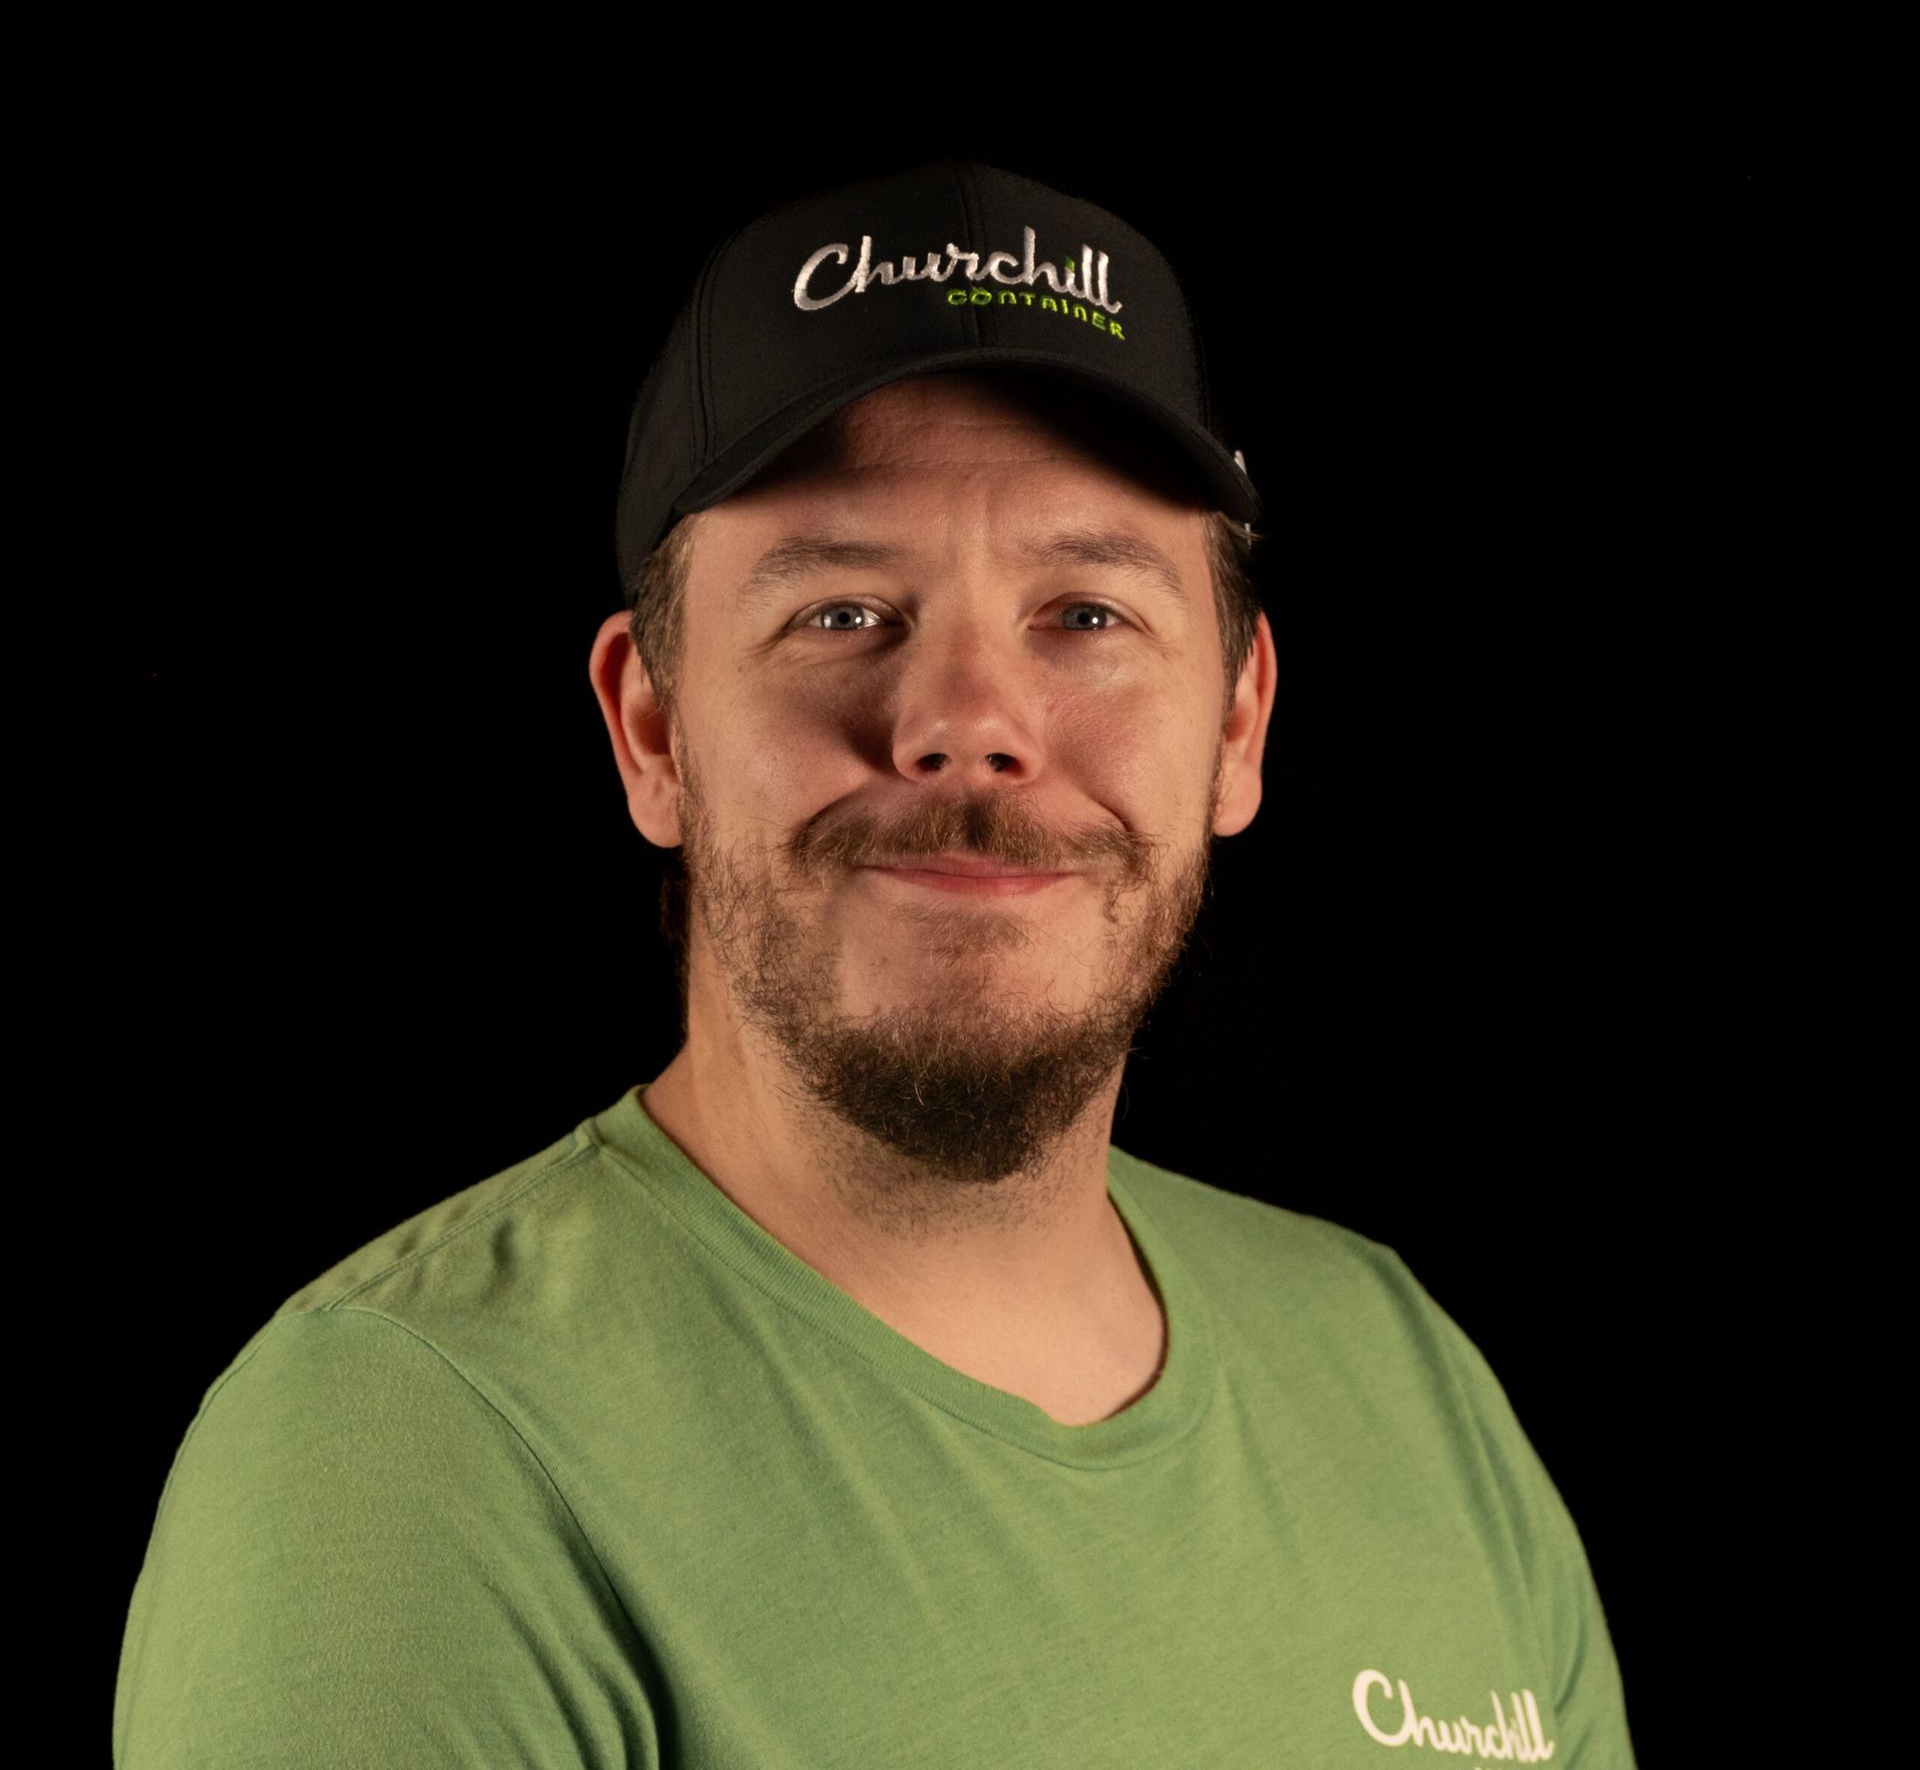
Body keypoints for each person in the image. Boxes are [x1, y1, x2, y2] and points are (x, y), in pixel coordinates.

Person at [114, 160, 1639, 1766]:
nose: (968, 721)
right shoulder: (403, 1460)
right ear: (652, 730)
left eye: (1087, 613)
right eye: (843, 610)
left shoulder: (1400, 1378)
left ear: (1241, 723)